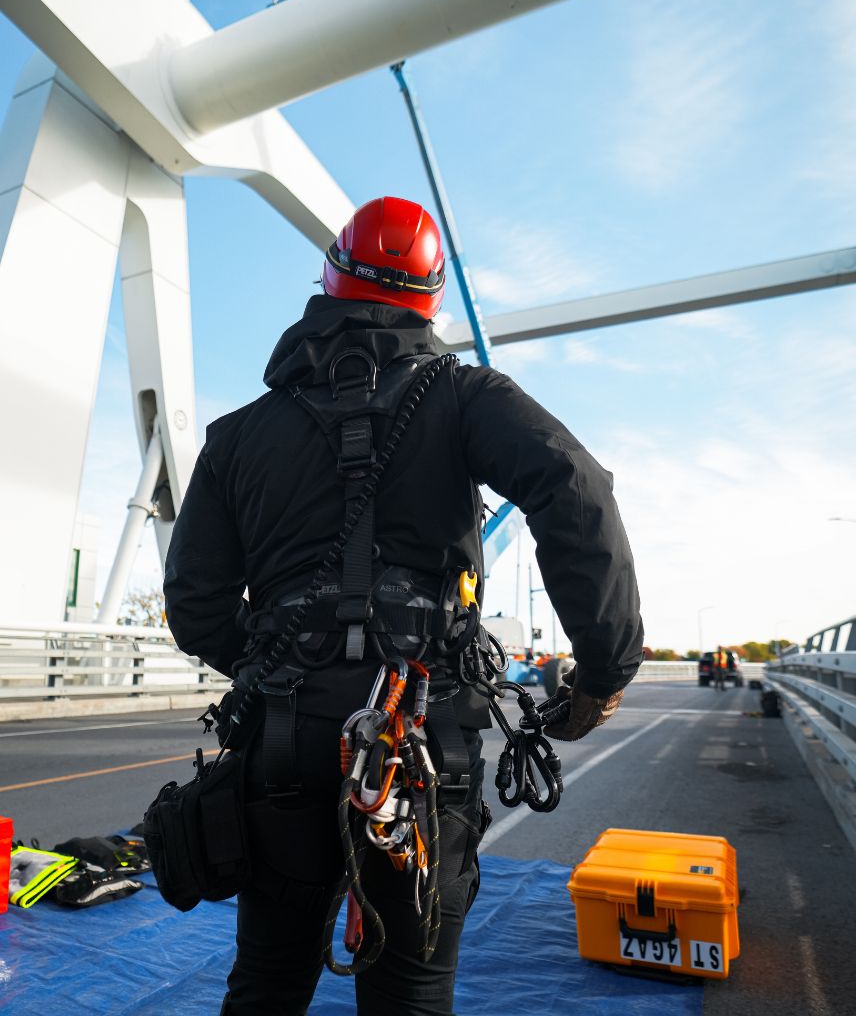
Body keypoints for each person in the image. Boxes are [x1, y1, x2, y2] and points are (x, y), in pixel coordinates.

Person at [164, 196, 643, 1016]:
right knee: (412, 990)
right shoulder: (466, 397)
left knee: (269, 983)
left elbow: (196, 604)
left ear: (329, 281)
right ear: (431, 301)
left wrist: (285, 661)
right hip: (421, 741)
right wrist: (602, 672)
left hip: (280, 737)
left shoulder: (237, 436)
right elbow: (575, 488)